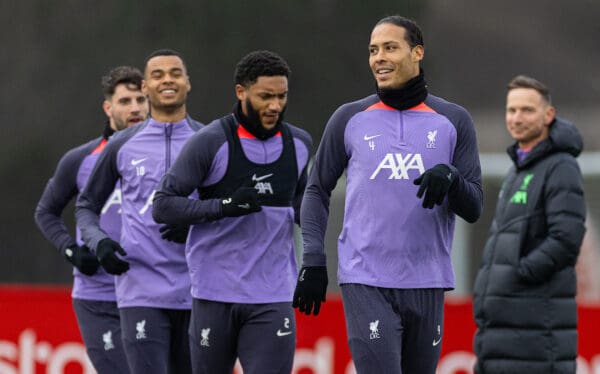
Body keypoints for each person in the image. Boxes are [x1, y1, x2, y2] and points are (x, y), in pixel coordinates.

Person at [293, 15, 483, 373]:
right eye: (373, 50)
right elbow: (316, 189)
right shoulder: (349, 118)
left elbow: (473, 206)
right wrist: (314, 259)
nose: (379, 57)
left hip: (428, 280)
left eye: (390, 48)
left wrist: (452, 179)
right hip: (366, 279)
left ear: (417, 52)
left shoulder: (453, 120)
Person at [152, 50, 312, 374]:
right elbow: (163, 205)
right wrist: (221, 207)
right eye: (265, 96)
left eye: (281, 96)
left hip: (273, 295)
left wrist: (316, 261)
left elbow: (302, 209)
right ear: (241, 92)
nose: (275, 106)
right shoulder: (210, 141)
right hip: (214, 294)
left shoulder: (299, 144)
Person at [76, 49, 203, 374]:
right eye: (158, 75)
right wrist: (99, 242)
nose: (168, 80)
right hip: (140, 290)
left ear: (188, 83)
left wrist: (194, 223)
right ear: (145, 88)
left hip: (201, 291)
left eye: (175, 73)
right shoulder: (122, 144)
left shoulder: (209, 141)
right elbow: (86, 207)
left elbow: (229, 209)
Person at [34, 65, 149, 374]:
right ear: (108, 107)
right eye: (125, 101)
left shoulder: (170, 154)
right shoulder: (80, 159)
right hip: (99, 296)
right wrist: (71, 251)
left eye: (141, 99)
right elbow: (46, 211)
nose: (135, 108)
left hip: (152, 293)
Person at [473, 75, 585, 373]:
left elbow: (567, 237)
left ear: (548, 115)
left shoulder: (561, 166)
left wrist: (519, 276)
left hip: (535, 330)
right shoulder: (518, 169)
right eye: (511, 110)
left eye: (527, 110)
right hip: (504, 330)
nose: (516, 118)